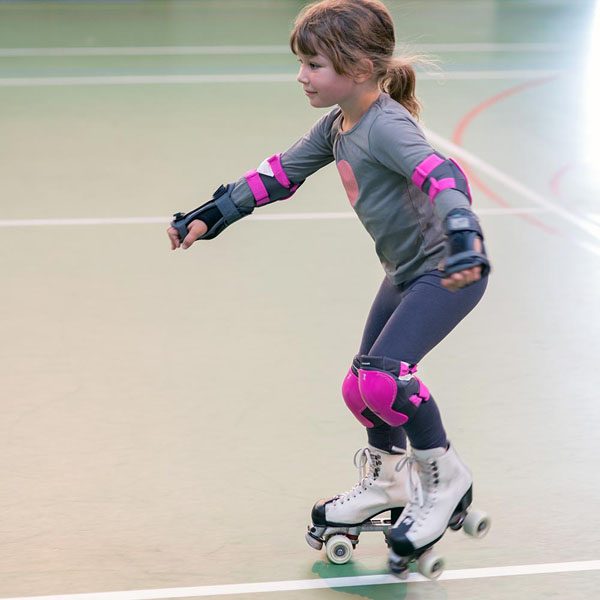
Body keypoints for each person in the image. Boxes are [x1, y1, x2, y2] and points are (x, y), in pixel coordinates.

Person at [167, 0, 490, 571]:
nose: (301, 76)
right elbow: (280, 174)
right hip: (405, 272)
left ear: (360, 69)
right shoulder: (338, 124)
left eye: (314, 64)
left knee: (387, 381)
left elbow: (443, 174)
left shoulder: (386, 126)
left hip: (450, 269)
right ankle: (389, 483)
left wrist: (464, 231)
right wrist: (212, 213)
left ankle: (443, 478)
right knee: (360, 388)